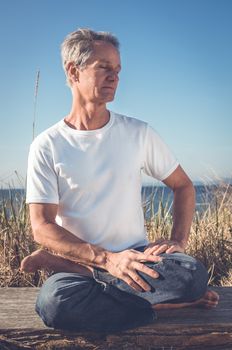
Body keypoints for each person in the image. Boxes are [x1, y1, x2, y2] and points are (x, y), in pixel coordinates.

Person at [21, 28, 219, 332]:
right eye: (103, 68)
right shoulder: (47, 145)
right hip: (86, 258)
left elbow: (183, 186)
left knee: (192, 274)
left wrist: (177, 241)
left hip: (139, 258)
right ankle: (163, 303)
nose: (114, 77)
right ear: (73, 71)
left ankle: (79, 271)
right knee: (55, 303)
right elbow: (42, 227)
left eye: (117, 70)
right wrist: (107, 259)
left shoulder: (138, 133)